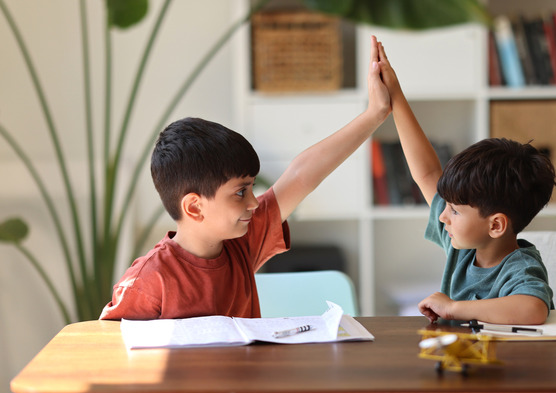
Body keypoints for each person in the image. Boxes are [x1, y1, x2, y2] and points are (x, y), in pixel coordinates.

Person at [99, 37, 390, 320]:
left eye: (251, 188)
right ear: (195, 207)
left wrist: (375, 114)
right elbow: (110, 352)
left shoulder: (242, 241)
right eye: (240, 192)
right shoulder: (147, 281)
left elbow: (302, 176)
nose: (254, 203)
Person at [375, 39, 556, 325]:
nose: (443, 216)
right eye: (448, 206)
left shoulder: (520, 267)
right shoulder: (464, 247)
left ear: (495, 225)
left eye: (455, 211)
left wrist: (453, 308)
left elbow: (533, 309)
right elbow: (425, 173)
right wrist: (395, 95)